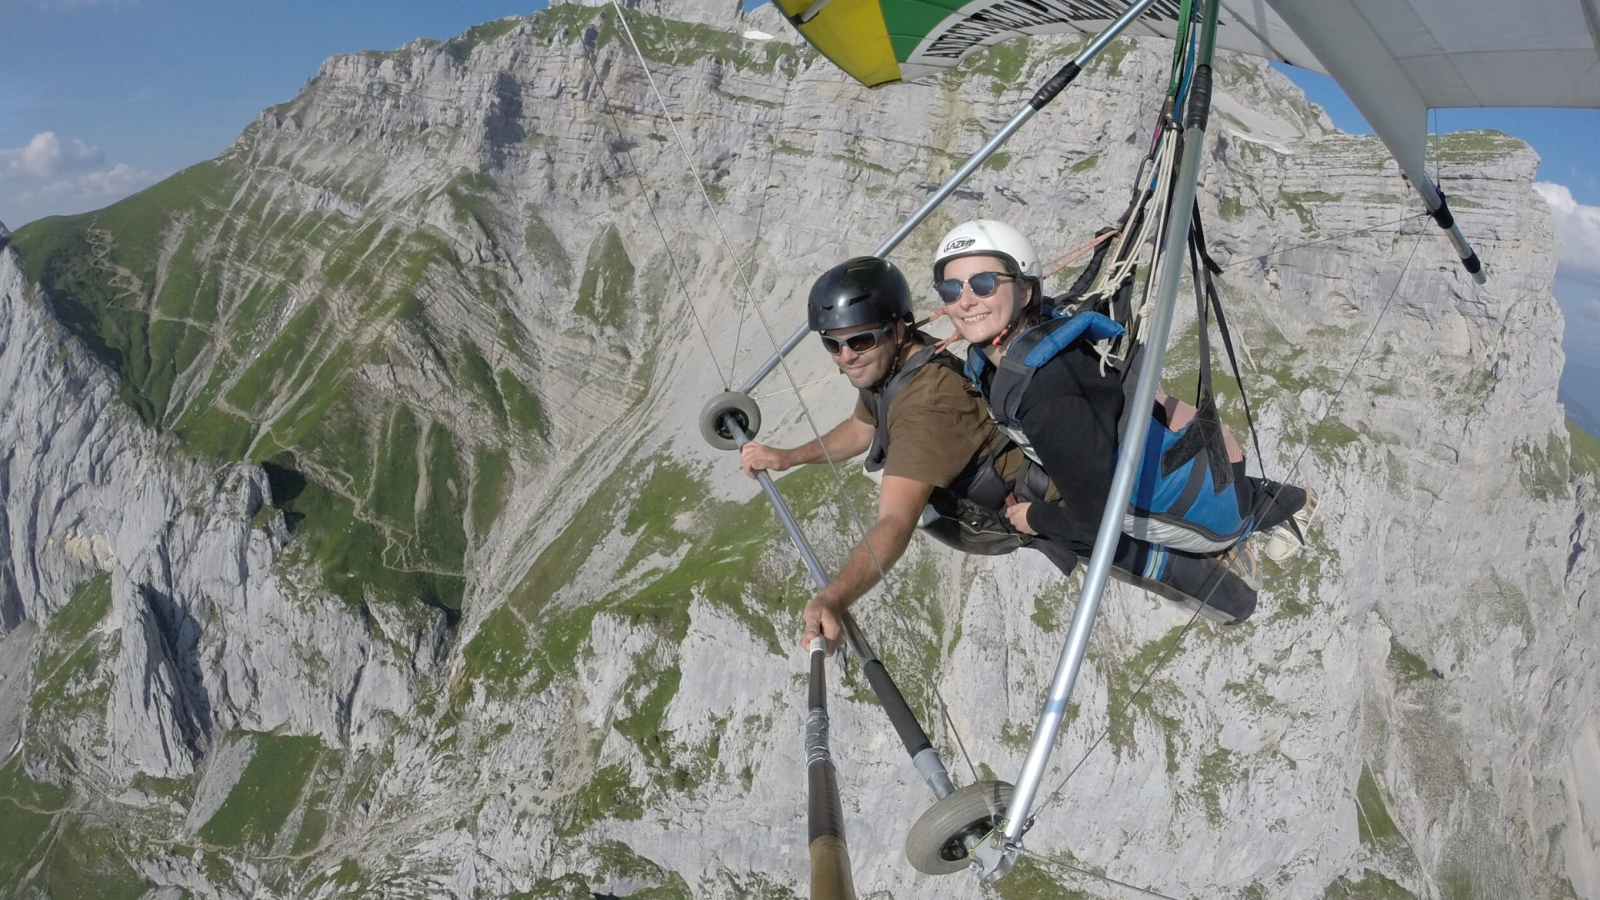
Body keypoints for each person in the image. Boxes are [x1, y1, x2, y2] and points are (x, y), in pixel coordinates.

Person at [933, 218, 1317, 599]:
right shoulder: (1037, 335)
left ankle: (1265, 523)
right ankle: (1290, 501)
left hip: (1205, 501)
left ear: (1025, 291)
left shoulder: (1046, 395)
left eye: (983, 284)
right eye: (951, 290)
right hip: (1194, 452)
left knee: (1234, 522)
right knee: (1237, 495)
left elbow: (1094, 525)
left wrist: (1033, 518)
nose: (965, 301)